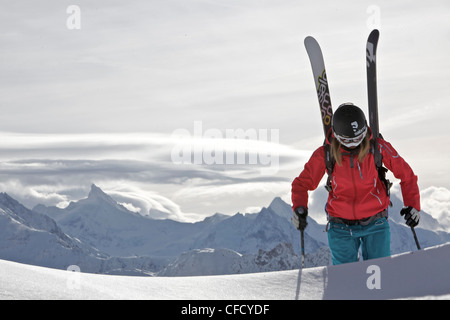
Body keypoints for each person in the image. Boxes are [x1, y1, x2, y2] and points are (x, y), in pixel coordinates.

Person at [291, 103, 421, 265]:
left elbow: (407, 175)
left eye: (358, 139)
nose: (353, 145)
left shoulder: (377, 148)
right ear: (336, 136)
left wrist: (413, 205)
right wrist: (299, 208)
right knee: (346, 283)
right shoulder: (326, 154)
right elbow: (301, 184)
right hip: (340, 227)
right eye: (347, 140)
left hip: (376, 223)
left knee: (378, 278)